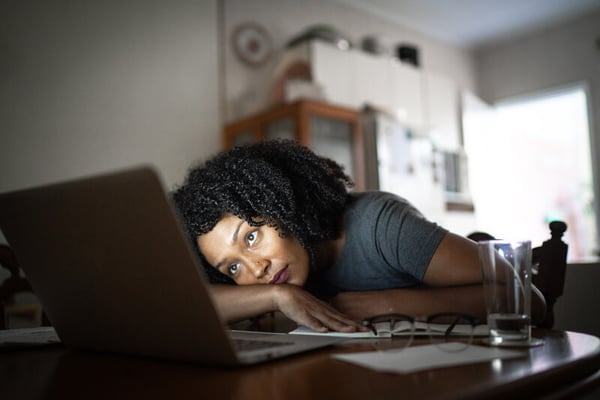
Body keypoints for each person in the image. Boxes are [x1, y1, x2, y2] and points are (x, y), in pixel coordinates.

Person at [173, 139, 545, 333]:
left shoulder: (382, 226)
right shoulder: (280, 276)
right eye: (233, 269)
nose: (256, 269)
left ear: (284, 202)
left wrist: (383, 305)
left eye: (251, 237)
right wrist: (276, 293)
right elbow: (190, 306)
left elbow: (529, 298)